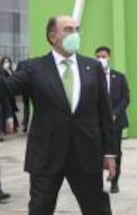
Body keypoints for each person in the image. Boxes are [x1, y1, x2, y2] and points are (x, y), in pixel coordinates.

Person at [0, 15, 116, 215]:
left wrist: (111, 153)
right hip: (46, 155)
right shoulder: (33, 67)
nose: (75, 34)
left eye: (77, 29)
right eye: (69, 30)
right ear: (52, 36)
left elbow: (104, 113)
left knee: (98, 209)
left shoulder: (92, 66)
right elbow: (7, 88)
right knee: (40, 209)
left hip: (86, 154)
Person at [95, 46, 130, 194]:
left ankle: (115, 182)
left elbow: (125, 99)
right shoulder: (91, 77)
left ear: (109, 57)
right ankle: (97, 183)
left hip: (116, 122)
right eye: (98, 56)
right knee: (96, 151)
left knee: (115, 152)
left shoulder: (119, 77)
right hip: (97, 123)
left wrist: (114, 113)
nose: (101, 59)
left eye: (103, 56)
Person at [0, 56, 19, 132]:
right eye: (5, 62)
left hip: (10, 94)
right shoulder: (2, 72)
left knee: (8, 110)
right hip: (5, 94)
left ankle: (11, 127)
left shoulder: (9, 71)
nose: (6, 63)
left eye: (7, 61)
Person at [16, 59, 31, 132]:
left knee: (27, 107)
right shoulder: (22, 63)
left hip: (37, 89)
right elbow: (17, 75)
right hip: (25, 90)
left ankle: (26, 124)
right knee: (26, 106)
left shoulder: (22, 63)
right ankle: (25, 124)